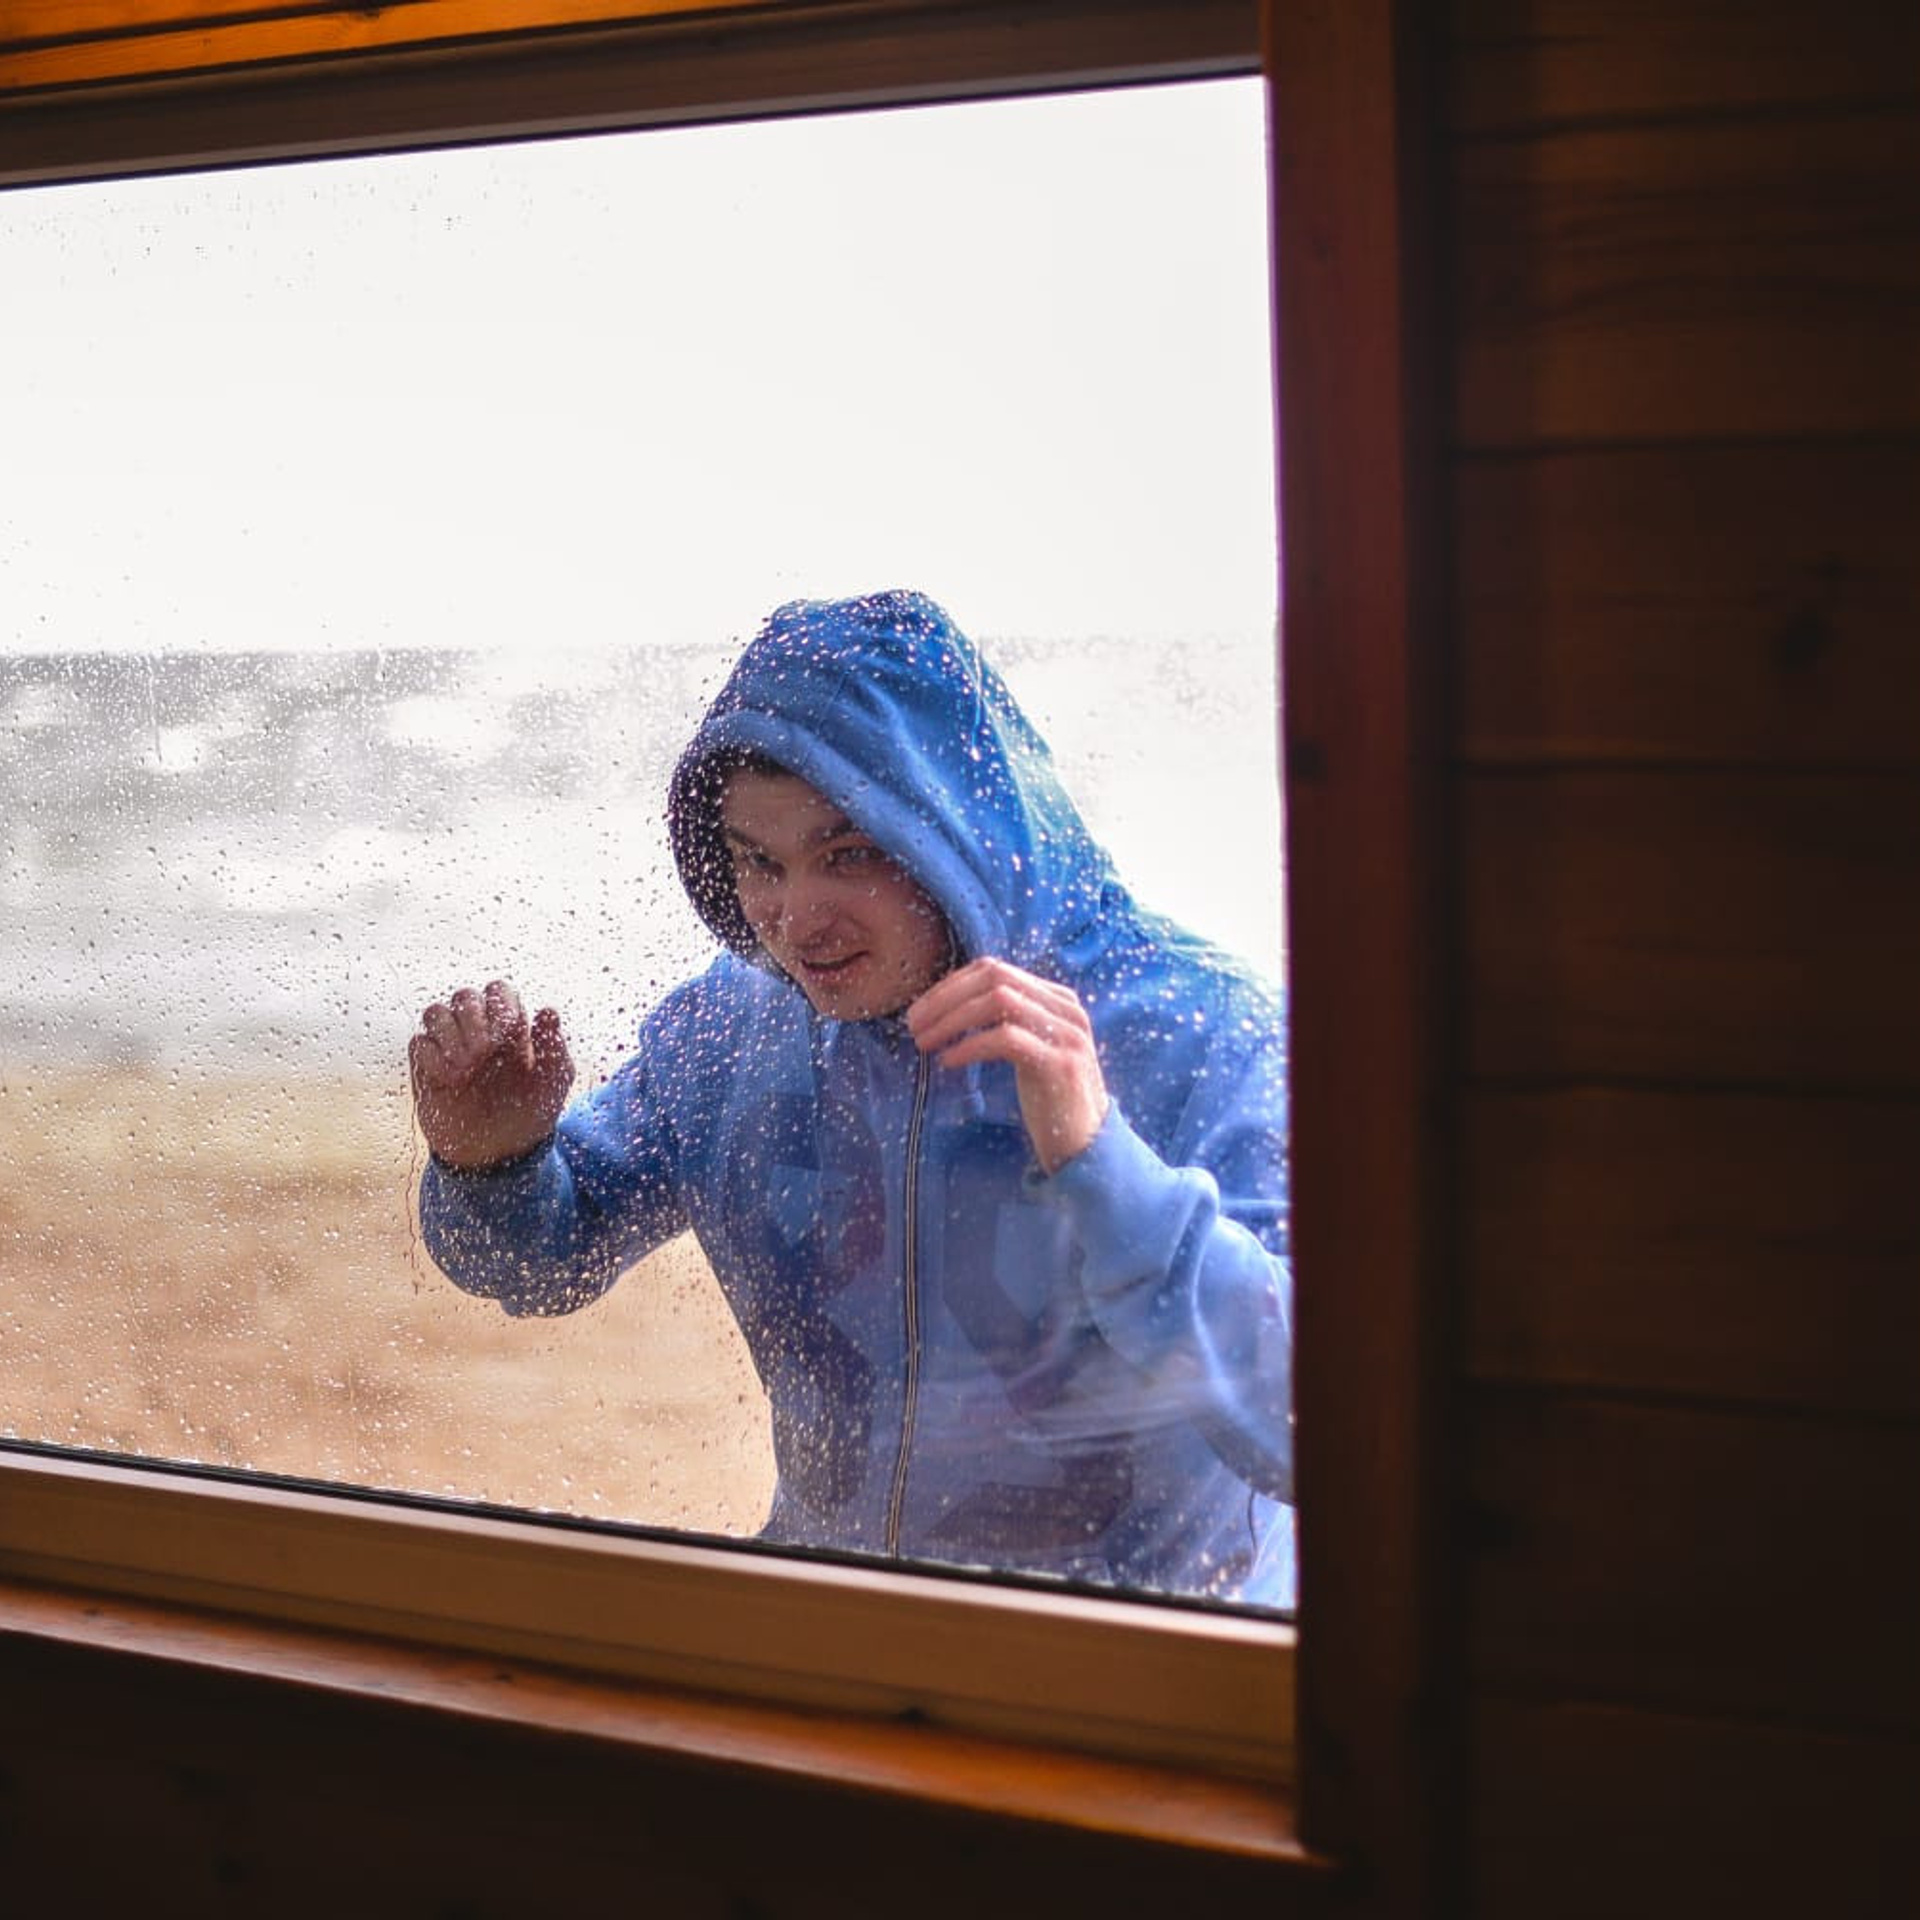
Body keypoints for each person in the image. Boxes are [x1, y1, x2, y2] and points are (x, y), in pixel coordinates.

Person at [411, 590, 1294, 1606]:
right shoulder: (729, 1036)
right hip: (833, 1640)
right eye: (758, 862)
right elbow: (541, 1264)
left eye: (850, 855)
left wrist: (1098, 1159)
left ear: (952, 821)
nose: (797, 921)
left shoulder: (1198, 1028)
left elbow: (1308, 1427)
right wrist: (491, 1162)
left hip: (1142, 1673)